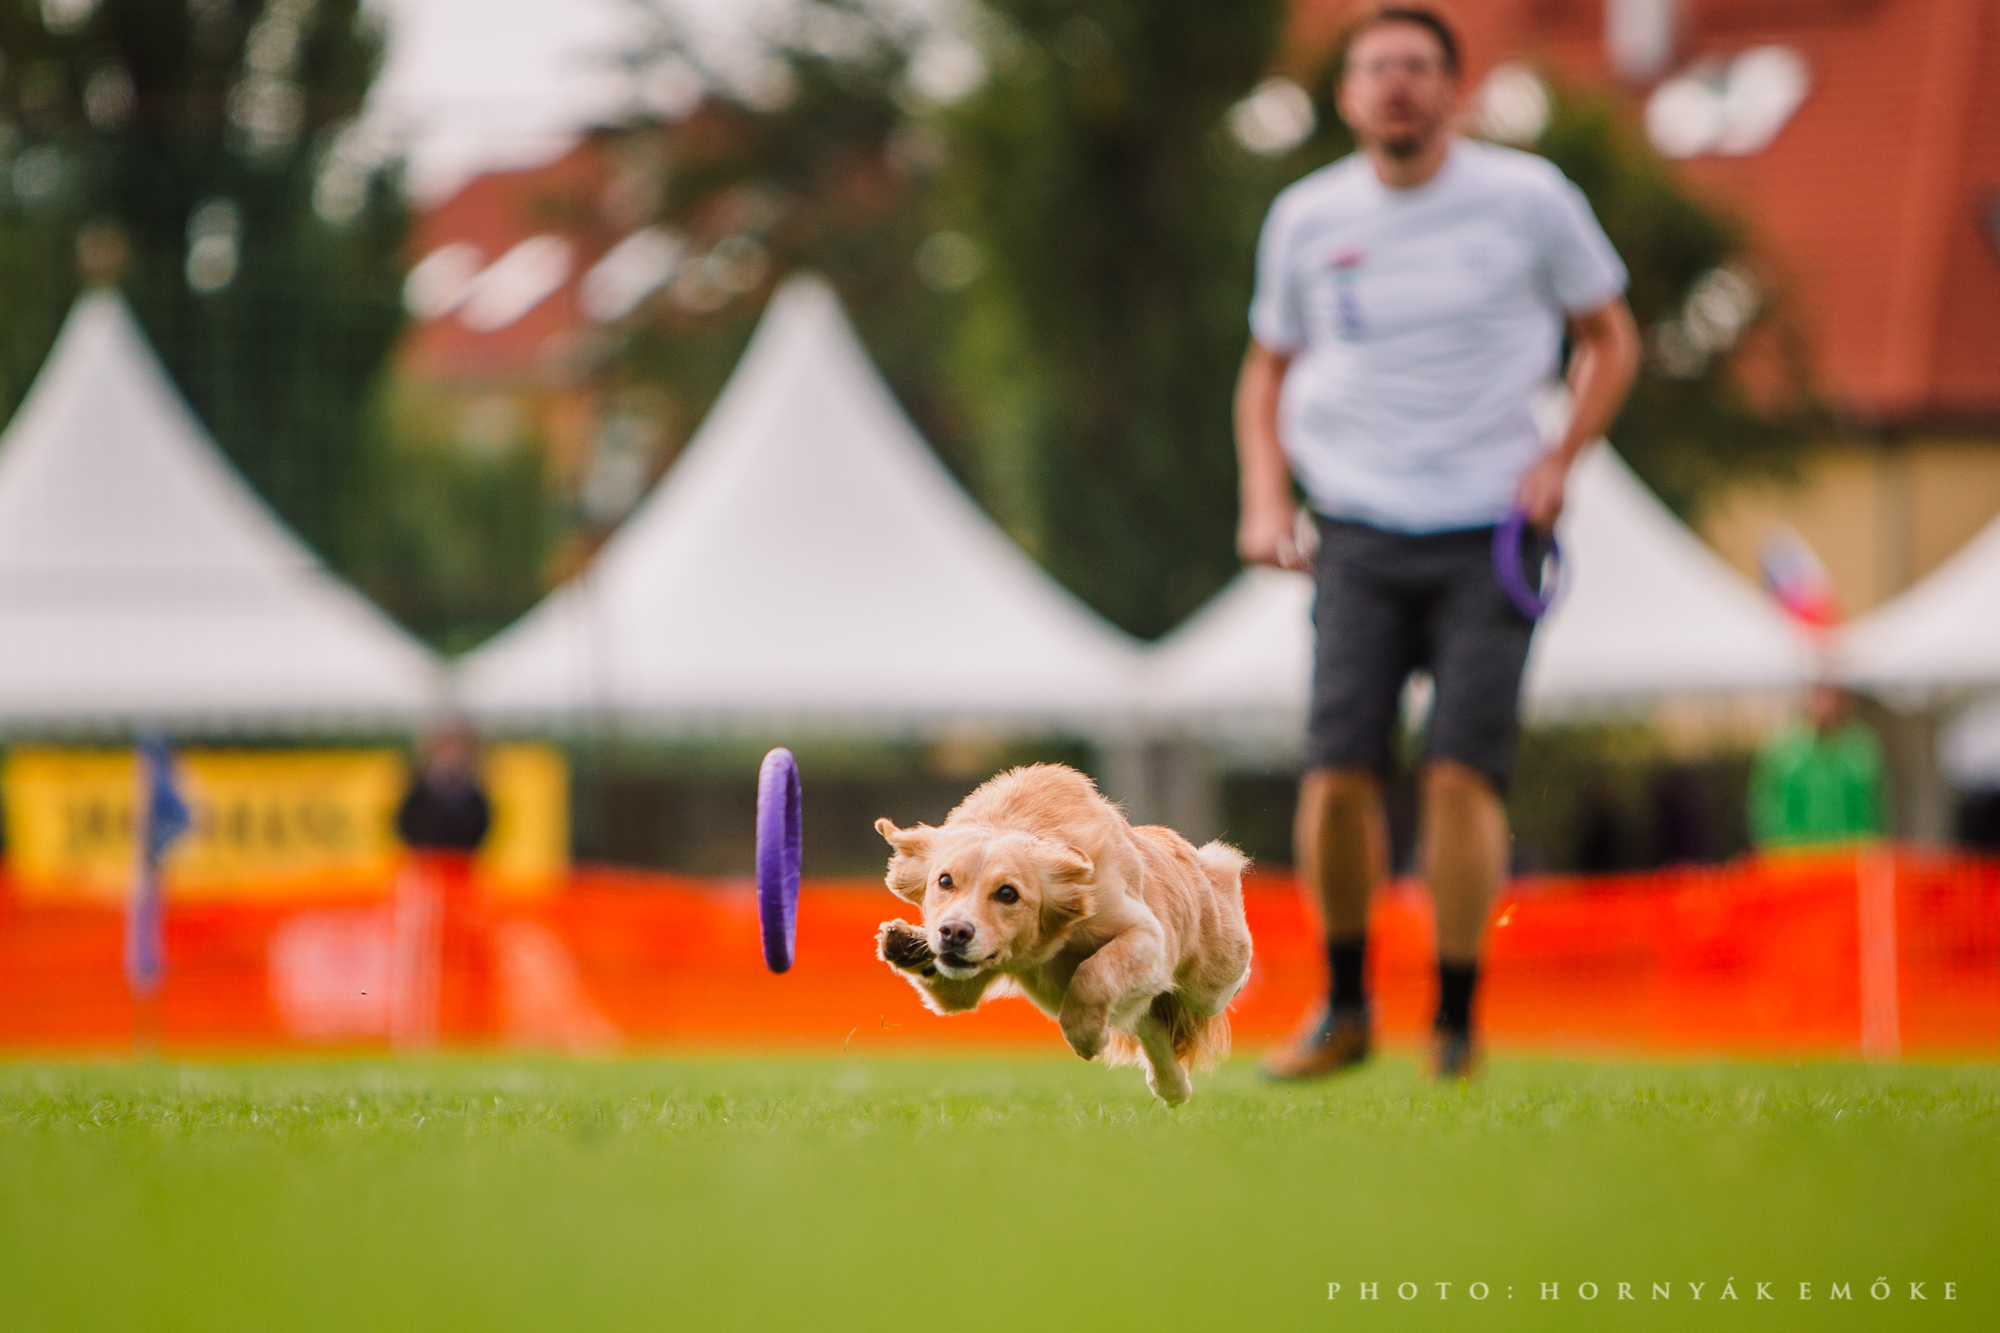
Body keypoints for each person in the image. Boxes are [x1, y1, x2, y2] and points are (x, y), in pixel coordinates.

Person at [1235, 5, 1640, 1079]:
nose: (1397, 85)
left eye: (1417, 67)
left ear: (1453, 89)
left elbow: (1608, 337)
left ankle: (1455, 1019)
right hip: (1356, 530)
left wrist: (1561, 458)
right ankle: (1342, 1006)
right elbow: (1265, 366)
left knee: (1461, 777)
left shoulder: (1527, 200)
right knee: (1335, 776)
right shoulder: (1304, 217)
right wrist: (1263, 497)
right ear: (1347, 97)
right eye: (1376, 70)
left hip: (1490, 530)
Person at [1747, 684, 1887, 849]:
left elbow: (1878, 813)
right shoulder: (1779, 747)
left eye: (1831, 689)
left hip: (1849, 862)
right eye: (1819, 689)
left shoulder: (1863, 747)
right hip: (1793, 866)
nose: (1826, 699)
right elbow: (1763, 814)